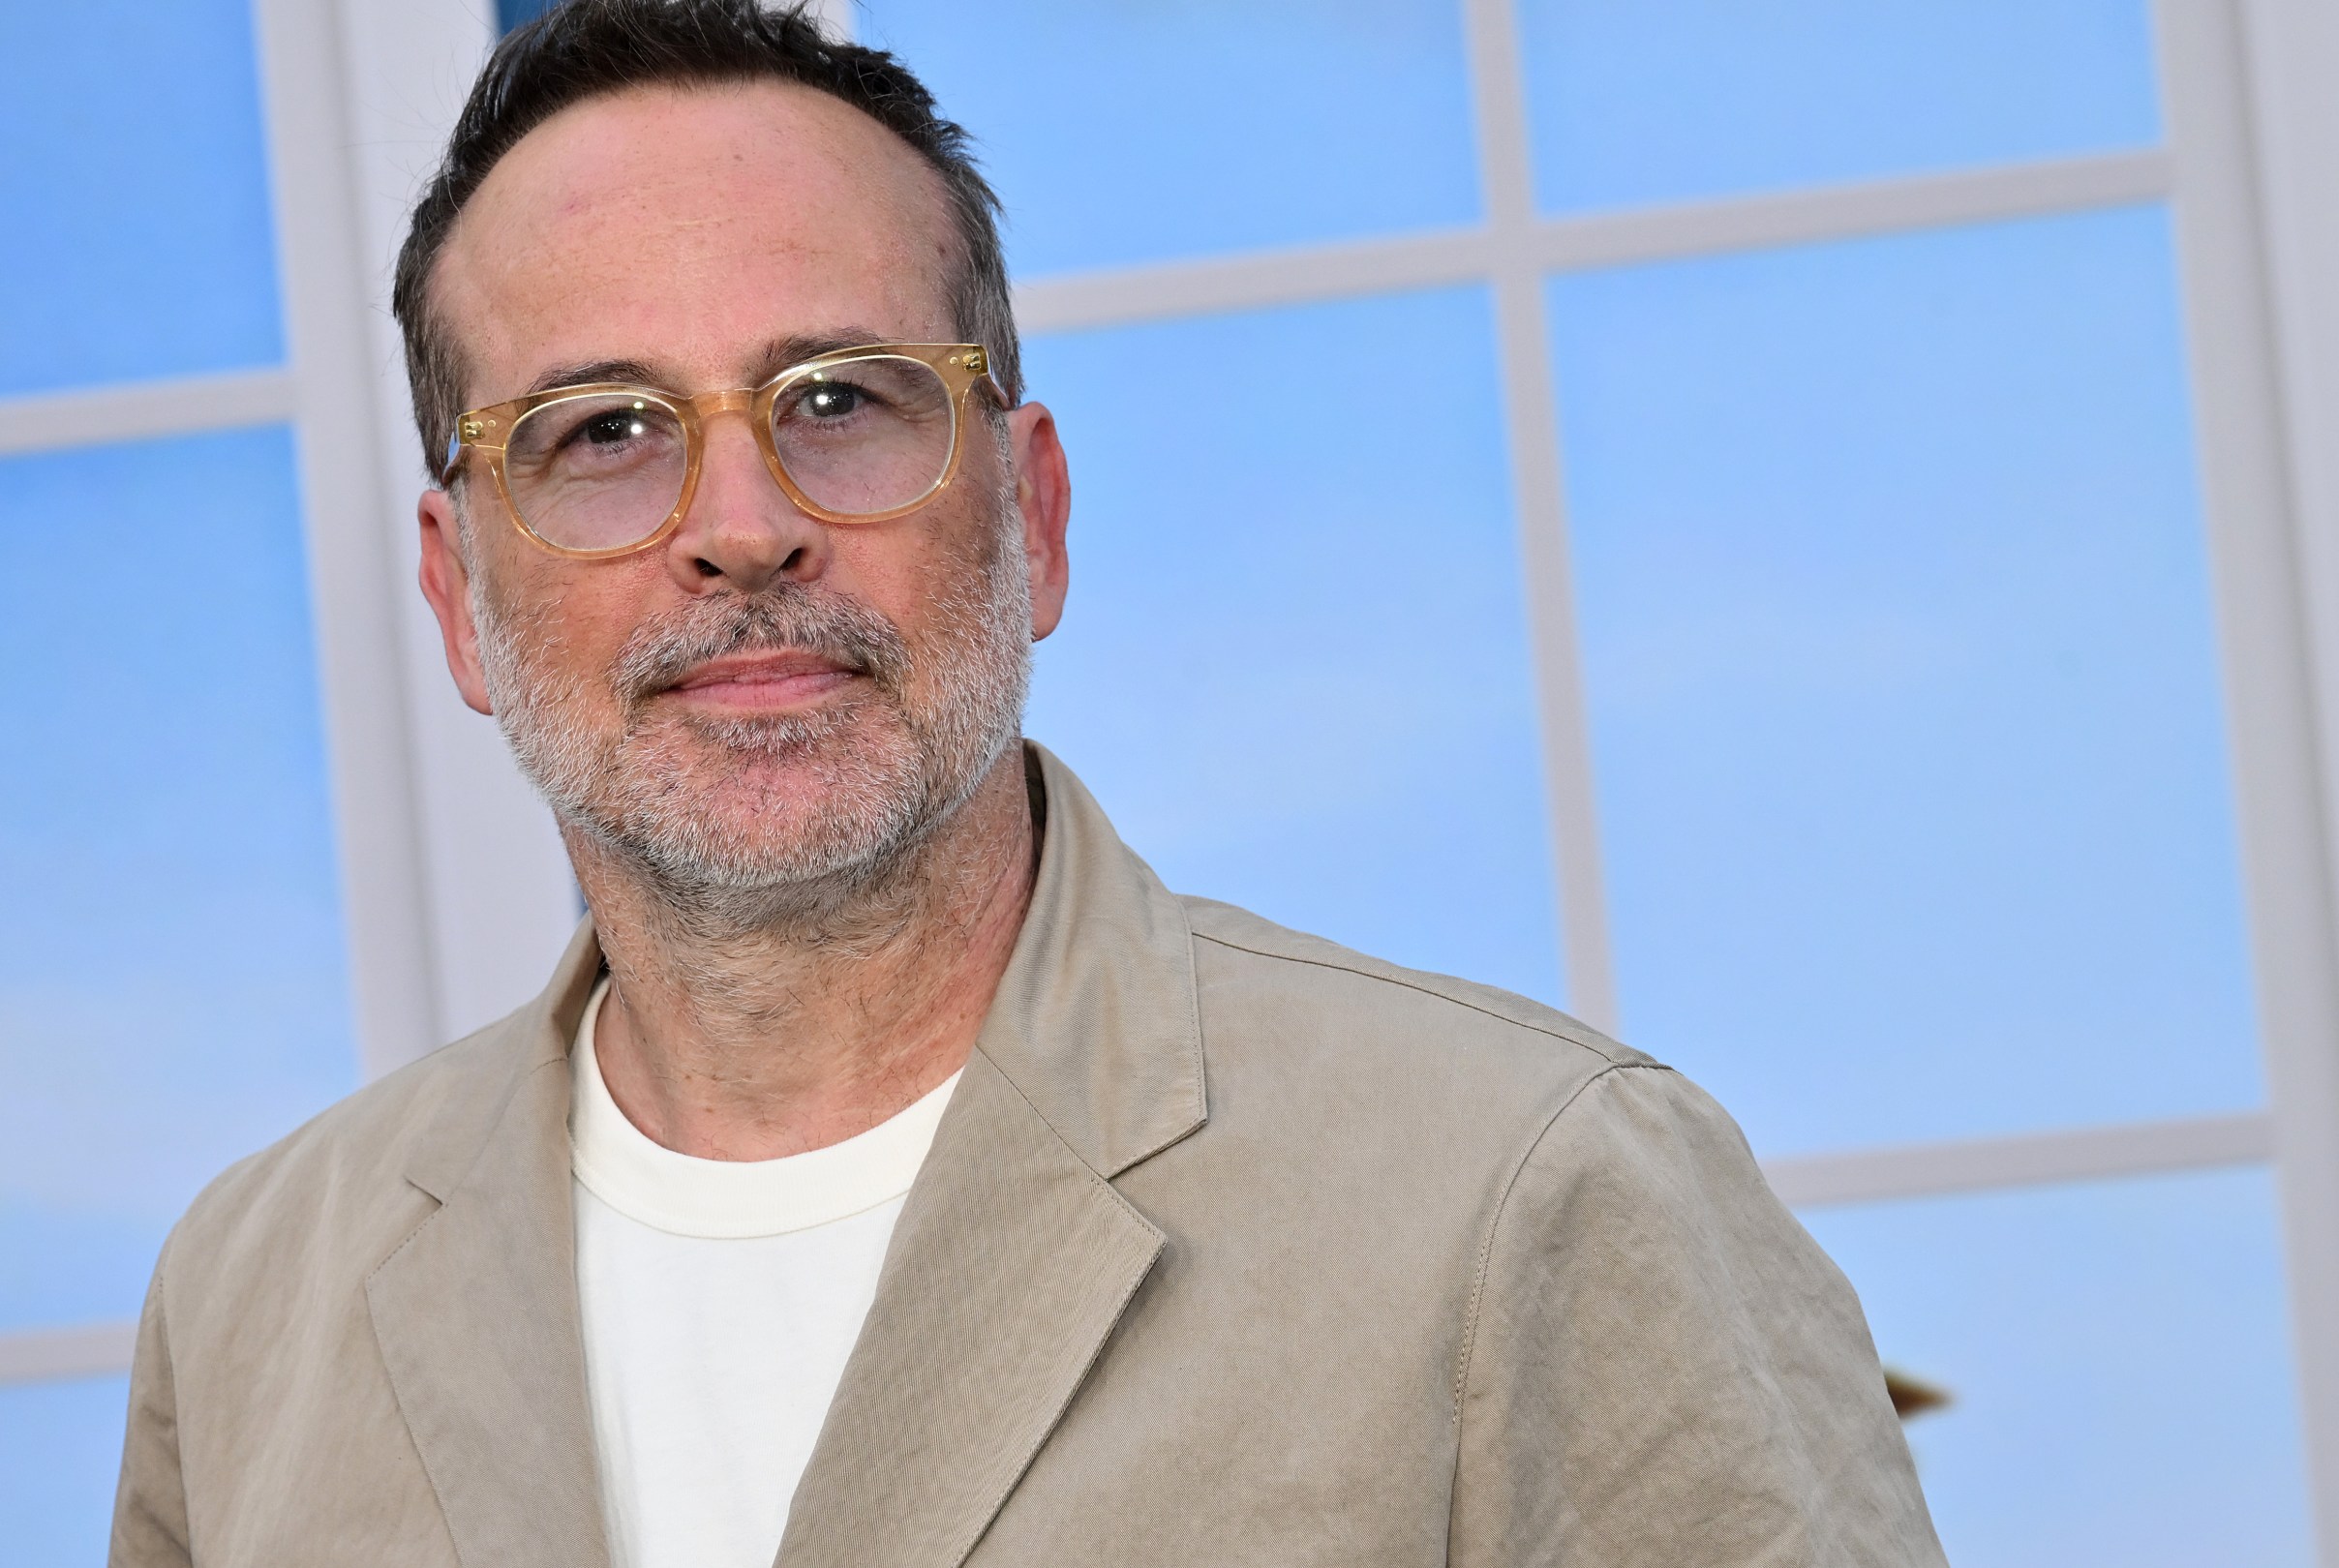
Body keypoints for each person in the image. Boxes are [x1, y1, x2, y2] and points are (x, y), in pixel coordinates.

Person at [108, 2, 1946, 1564]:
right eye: (603, 434)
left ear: (1035, 514)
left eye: (840, 398)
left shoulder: (1536, 1194)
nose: (740, 532)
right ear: (456, 595)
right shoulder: (254, 1302)